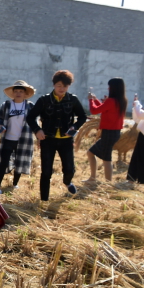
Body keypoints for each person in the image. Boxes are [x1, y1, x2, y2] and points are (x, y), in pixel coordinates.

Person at [25, 70, 87, 201]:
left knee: (69, 169)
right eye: (59, 85)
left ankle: (67, 182)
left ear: (68, 86)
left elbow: (82, 117)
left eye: (65, 86)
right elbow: (30, 117)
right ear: (54, 85)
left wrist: (74, 127)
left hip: (66, 141)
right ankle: (44, 200)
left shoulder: (73, 100)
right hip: (48, 140)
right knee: (46, 172)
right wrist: (37, 130)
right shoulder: (44, 100)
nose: (62, 88)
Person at [0, 80, 35, 193]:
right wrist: (0, 125)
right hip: (8, 139)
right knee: (3, 162)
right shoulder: (6, 105)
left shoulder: (30, 106)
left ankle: (15, 184)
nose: (18, 93)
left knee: (19, 162)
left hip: (23, 140)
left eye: (21, 91)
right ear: (13, 93)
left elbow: (35, 122)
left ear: (25, 94)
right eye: (16, 91)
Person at [87, 78, 127, 182]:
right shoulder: (121, 101)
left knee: (107, 159)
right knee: (91, 152)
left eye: (109, 86)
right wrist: (96, 100)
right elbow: (104, 108)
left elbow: (94, 110)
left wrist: (91, 100)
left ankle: (107, 182)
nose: (108, 88)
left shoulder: (111, 101)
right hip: (114, 133)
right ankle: (93, 178)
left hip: (109, 133)